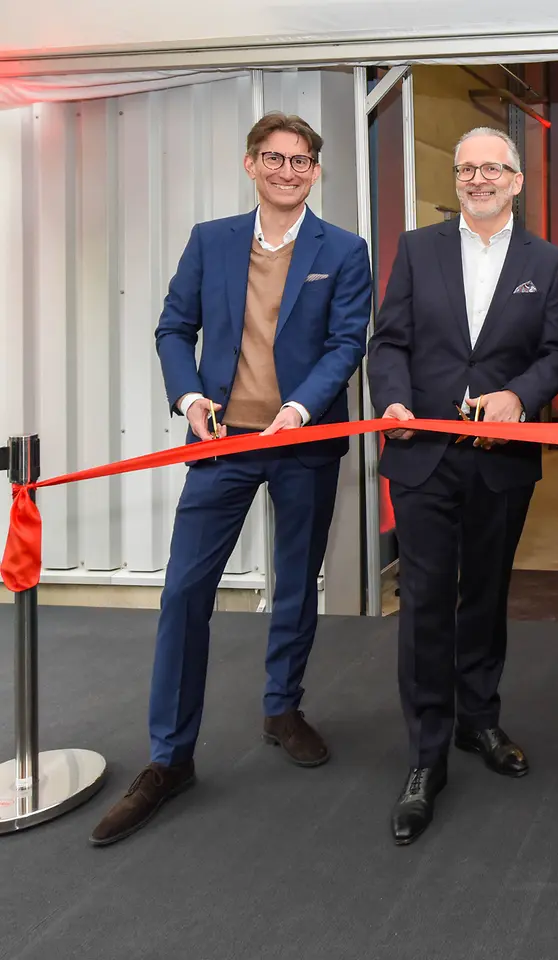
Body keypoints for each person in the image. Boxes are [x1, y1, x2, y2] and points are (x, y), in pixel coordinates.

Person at [89, 113, 372, 846]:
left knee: (294, 580)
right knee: (184, 591)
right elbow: (171, 328)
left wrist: (303, 407)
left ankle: (283, 708)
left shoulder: (343, 250)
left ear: (316, 170)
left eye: (301, 160)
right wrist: (187, 396)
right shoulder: (211, 240)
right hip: (220, 444)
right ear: (250, 164)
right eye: (273, 158)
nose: (287, 170)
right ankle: (168, 758)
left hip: (303, 442)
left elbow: (348, 342)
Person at [368, 126, 558, 845]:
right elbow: (387, 340)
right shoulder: (417, 250)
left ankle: (479, 720)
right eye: (466, 169)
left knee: (486, 592)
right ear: (455, 181)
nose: (478, 179)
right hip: (422, 453)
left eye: (493, 169)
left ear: (517, 180)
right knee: (425, 601)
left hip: (500, 458)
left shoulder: (547, 262)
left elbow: (556, 353)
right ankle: (427, 752)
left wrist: (520, 396)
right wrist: (391, 399)